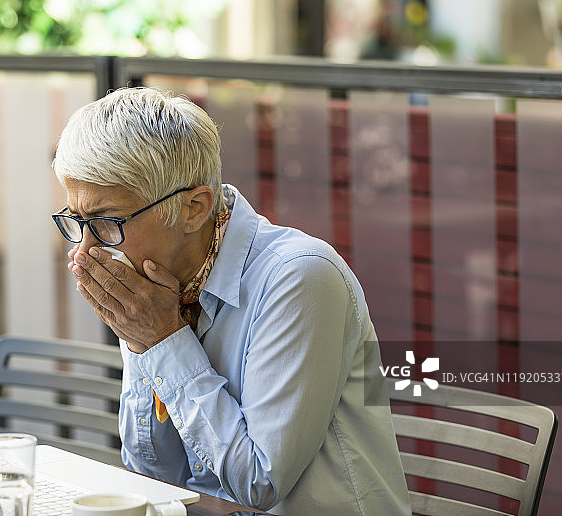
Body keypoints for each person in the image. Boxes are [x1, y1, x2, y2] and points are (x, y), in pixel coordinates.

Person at [51, 87, 411, 515]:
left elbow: (258, 485)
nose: (85, 250)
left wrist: (164, 341)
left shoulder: (299, 278)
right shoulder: (158, 291)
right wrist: (142, 341)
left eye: (106, 222)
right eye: (76, 221)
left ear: (194, 208)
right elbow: (152, 473)